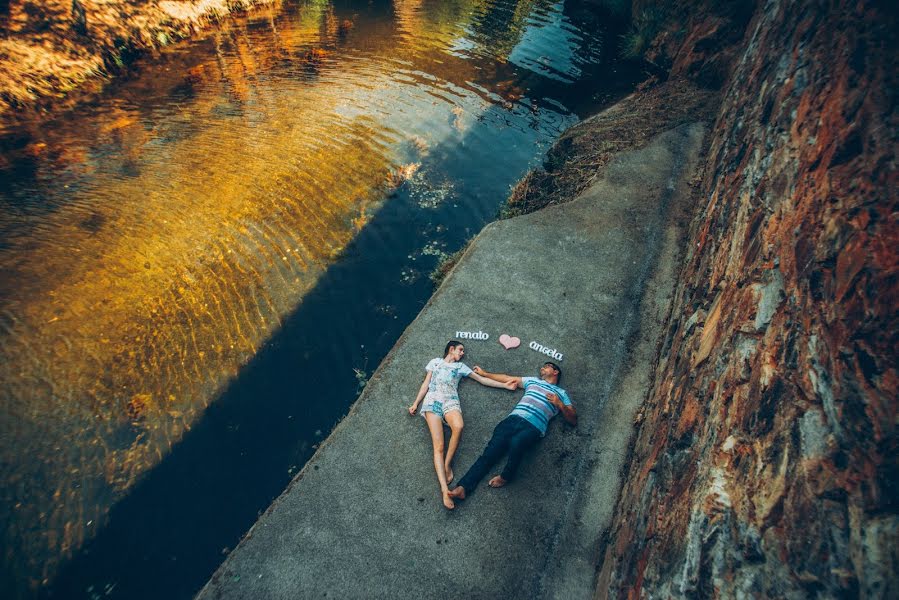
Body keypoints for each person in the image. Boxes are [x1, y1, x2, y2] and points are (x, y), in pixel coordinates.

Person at [409, 341, 517, 510]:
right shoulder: (435, 362)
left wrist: (504, 385)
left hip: (450, 401)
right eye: (460, 350)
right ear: (451, 349)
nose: (462, 353)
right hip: (432, 401)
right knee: (438, 446)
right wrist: (416, 403)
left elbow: (482, 380)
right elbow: (425, 384)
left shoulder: (460, 367)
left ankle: (447, 464)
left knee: (458, 426)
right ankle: (445, 491)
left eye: (463, 352)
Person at [448, 361, 576, 502]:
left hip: (533, 426)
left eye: (546, 366)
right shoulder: (532, 381)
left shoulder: (561, 393)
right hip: (512, 420)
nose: (542, 368)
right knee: (489, 455)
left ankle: (506, 476)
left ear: (555, 372)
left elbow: (573, 420)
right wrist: (485, 374)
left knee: (517, 443)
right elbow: (507, 378)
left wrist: (560, 404)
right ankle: (463, 488)